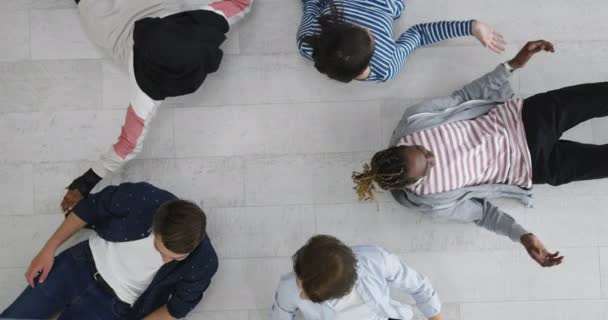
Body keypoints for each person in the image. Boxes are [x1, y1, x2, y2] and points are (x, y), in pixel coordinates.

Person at [349, 39, 608, 268]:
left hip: (527, 118)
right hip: (535, 167)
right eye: (428, 166)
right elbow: (483, 213)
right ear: (413, 183)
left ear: (401, 145)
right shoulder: (432, 201)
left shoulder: (416, 121)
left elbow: (464, 96)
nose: (431, 156)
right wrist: (522, 236)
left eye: (422, 149)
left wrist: (512, 65)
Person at [60, 0, 254, 213]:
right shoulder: (147, 89)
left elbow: (238, 3)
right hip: (100, 15)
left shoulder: (202, 24)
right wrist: (86, 181)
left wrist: (86, 182)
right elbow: (127, 146)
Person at [1, 182, 218, 319]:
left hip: (112, 306)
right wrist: (47, 250)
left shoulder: (203, 263)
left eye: (176, 258)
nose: (165, 259)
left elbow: (176, 309)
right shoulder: (144, 199)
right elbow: (90, 207)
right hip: (78, 266)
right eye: (160, 249)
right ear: (155, 226)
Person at [297, 0, 506, 83]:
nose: (369, 28)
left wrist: (470, 27)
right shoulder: (387, 65)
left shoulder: (308, 41)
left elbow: (311, 4)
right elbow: (420, 34)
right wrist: (469, 26)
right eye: (371, 34)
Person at [272, 235, 443, 320]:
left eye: (308, 294)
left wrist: (436, 317)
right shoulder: (288, 287)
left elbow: (419, 286)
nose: (300, 295)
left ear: (344, 291)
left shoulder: (376, 260)